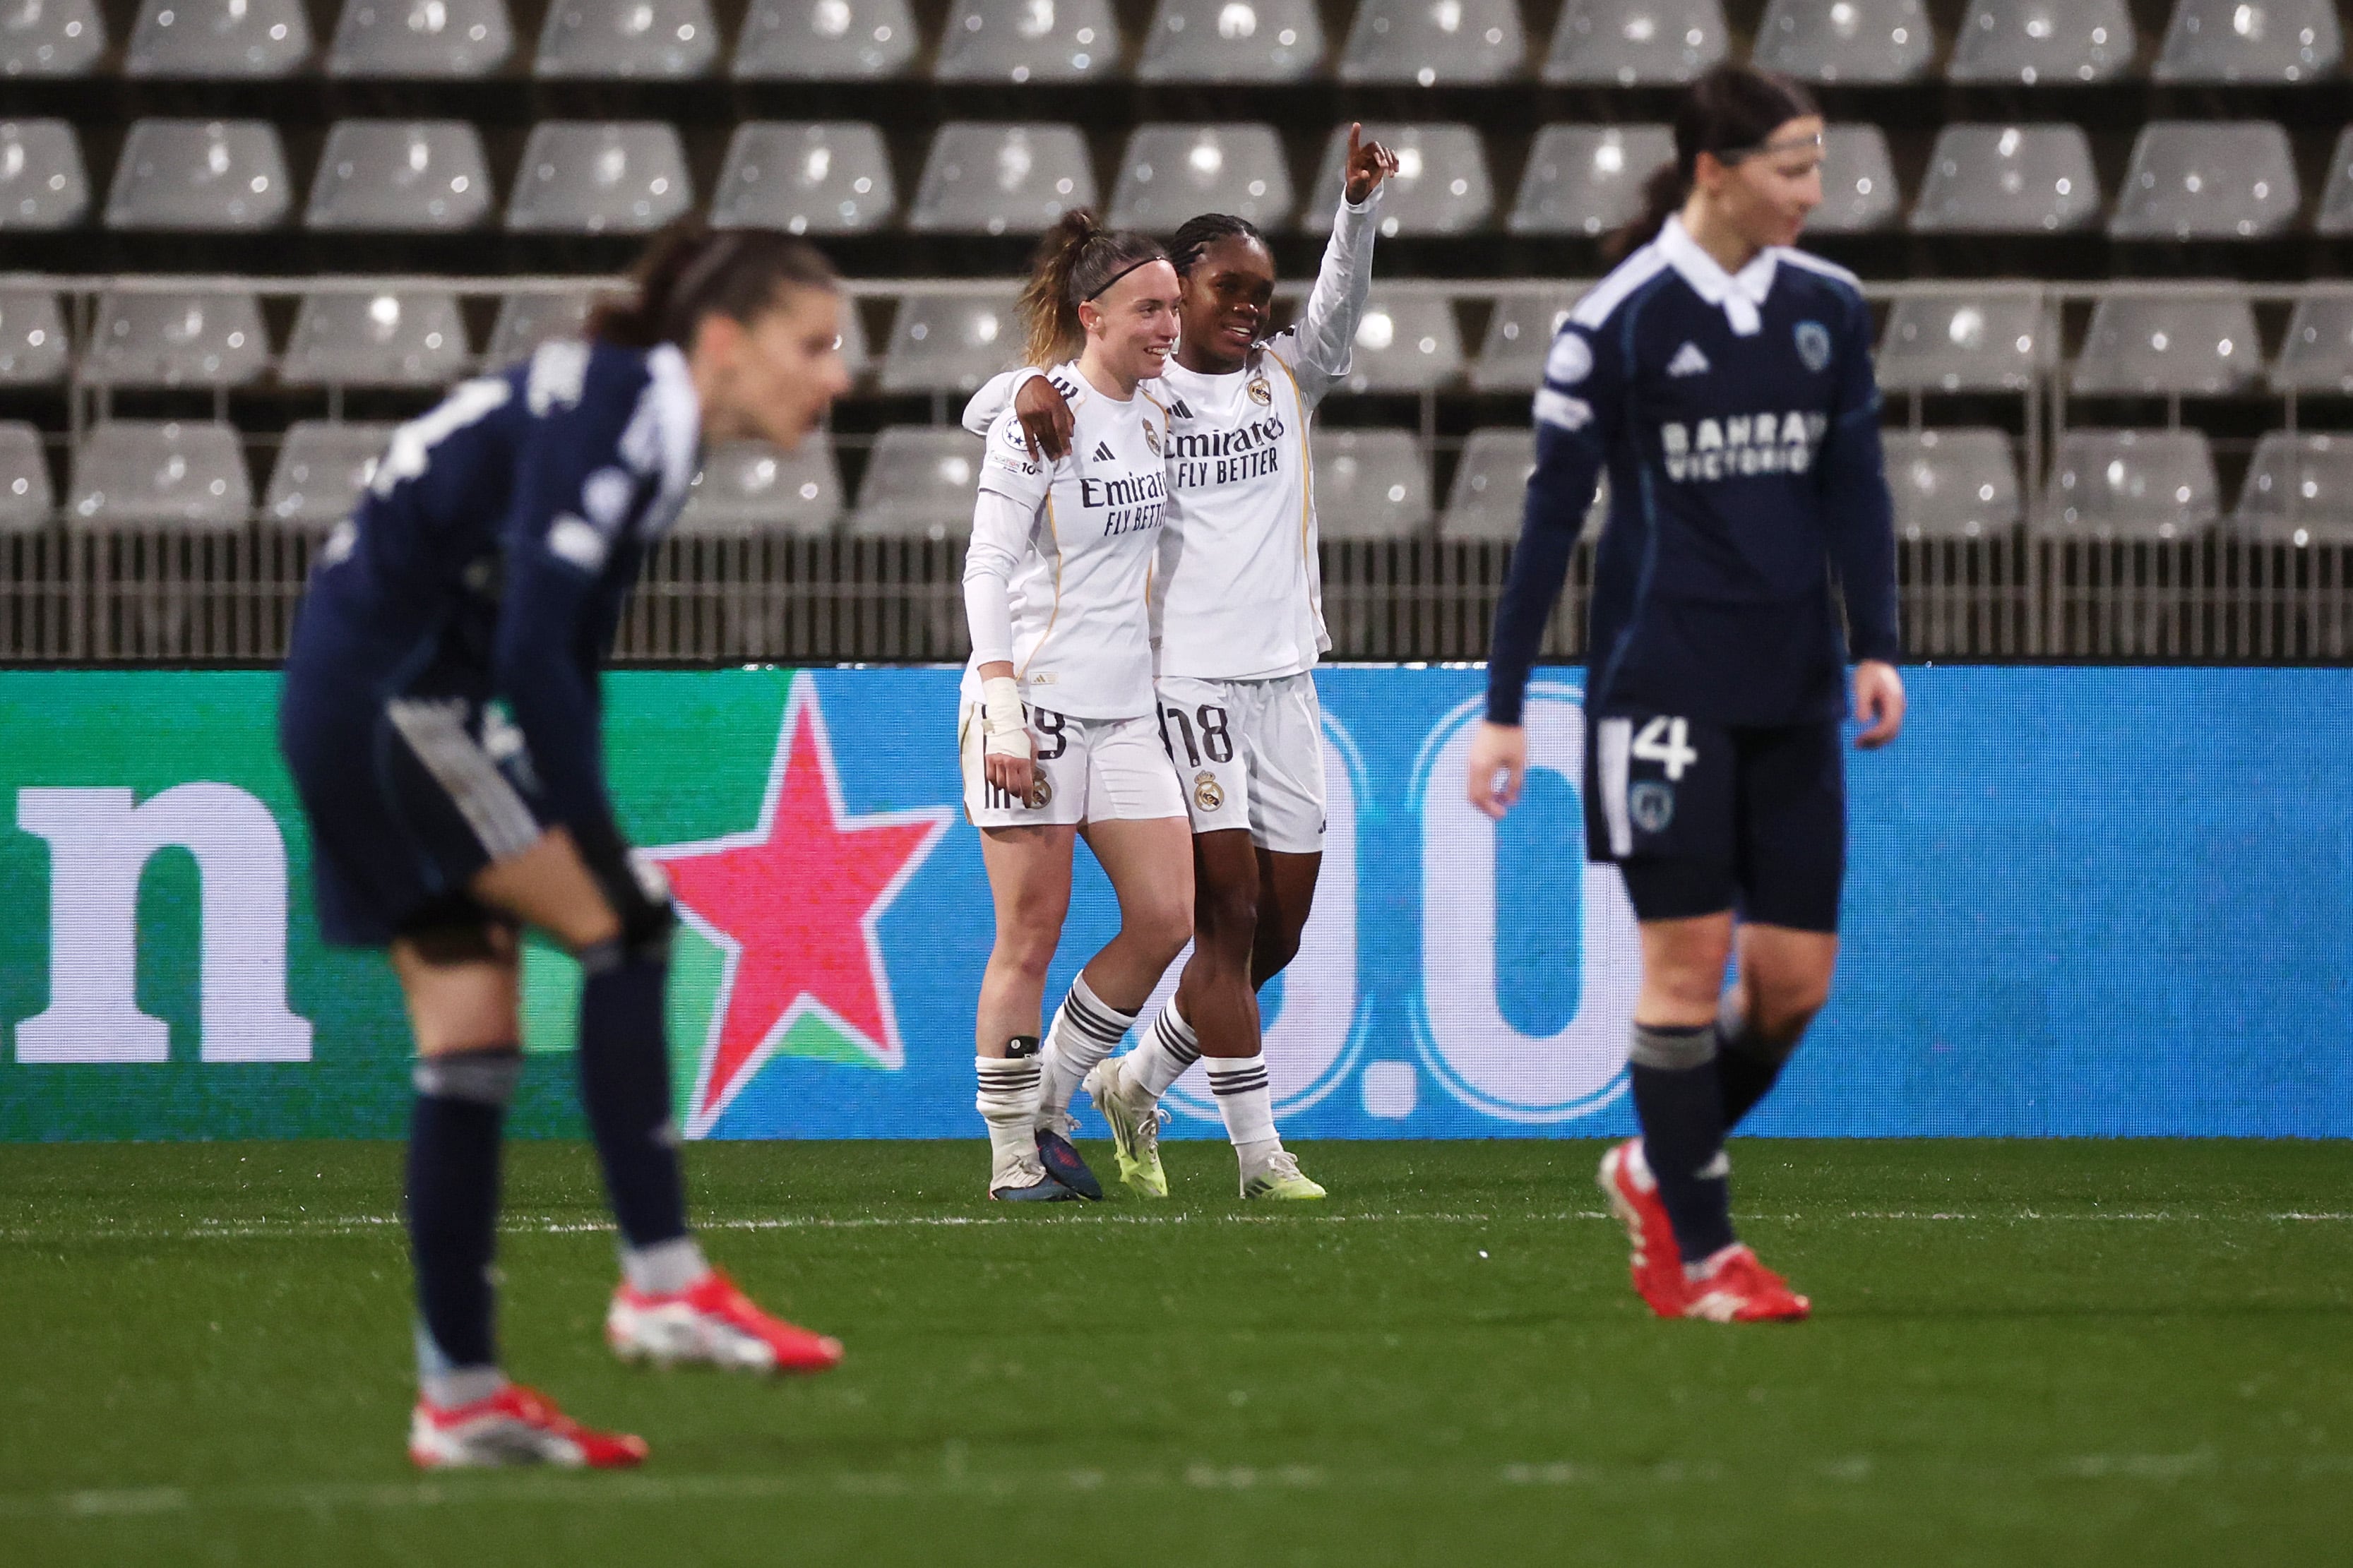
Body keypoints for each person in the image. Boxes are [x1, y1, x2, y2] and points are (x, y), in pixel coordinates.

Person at [279, 222, 854, 1468]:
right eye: (813, 345)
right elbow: (540, 649)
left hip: (360, 697)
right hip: (398, 709)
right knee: (624, 926)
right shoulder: (631, 415)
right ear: (723, 340)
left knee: (472, 1040)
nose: (837, 376)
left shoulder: (629, 413)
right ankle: (659, 1276)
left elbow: (555, 654)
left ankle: (463, 1395)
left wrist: (570, 812)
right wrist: (595, 843)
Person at [1465, 66, 1905, 1323]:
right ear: (1717, 171)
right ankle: (1706, 1258)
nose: (1814, 192)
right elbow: (1550, 519)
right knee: (1685, 967)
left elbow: (1856, 488)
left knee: (1792, 988)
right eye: (1792, 167)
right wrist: (1506, 703)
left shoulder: (1829, 306)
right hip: (1662, 689)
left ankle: (1652, 1163)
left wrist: (1875, 643)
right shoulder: (1620, 319)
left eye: (1820, 165)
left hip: (1795, 691)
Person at [961, 125, 1400, 1201]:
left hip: (1273, 680)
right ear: (1161, 302)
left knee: (1260, 926)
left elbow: (1335, 310)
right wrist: (1007, 392)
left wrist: (1358, 210)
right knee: (1212, 912)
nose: (1243, 309)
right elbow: (1024, 406)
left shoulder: (1267, 384)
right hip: (1174, 689)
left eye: (1259, 291)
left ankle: (1133, 1075)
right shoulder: (1125, 395)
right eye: (1212, 293)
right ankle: (1246, 1154)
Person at [959, 213, 1196, 1202]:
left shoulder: (1159, 400)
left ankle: (1055, 1094)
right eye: (1151, 309)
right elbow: (986, 564)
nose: (1169, 327)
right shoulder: (1039, 413)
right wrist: (1003, 707)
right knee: (1031, 930)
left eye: (1175, 307)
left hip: (1125, 709)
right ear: (1091, 317)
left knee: (1166, 913)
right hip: (1037, 708)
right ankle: (1015, 1152)